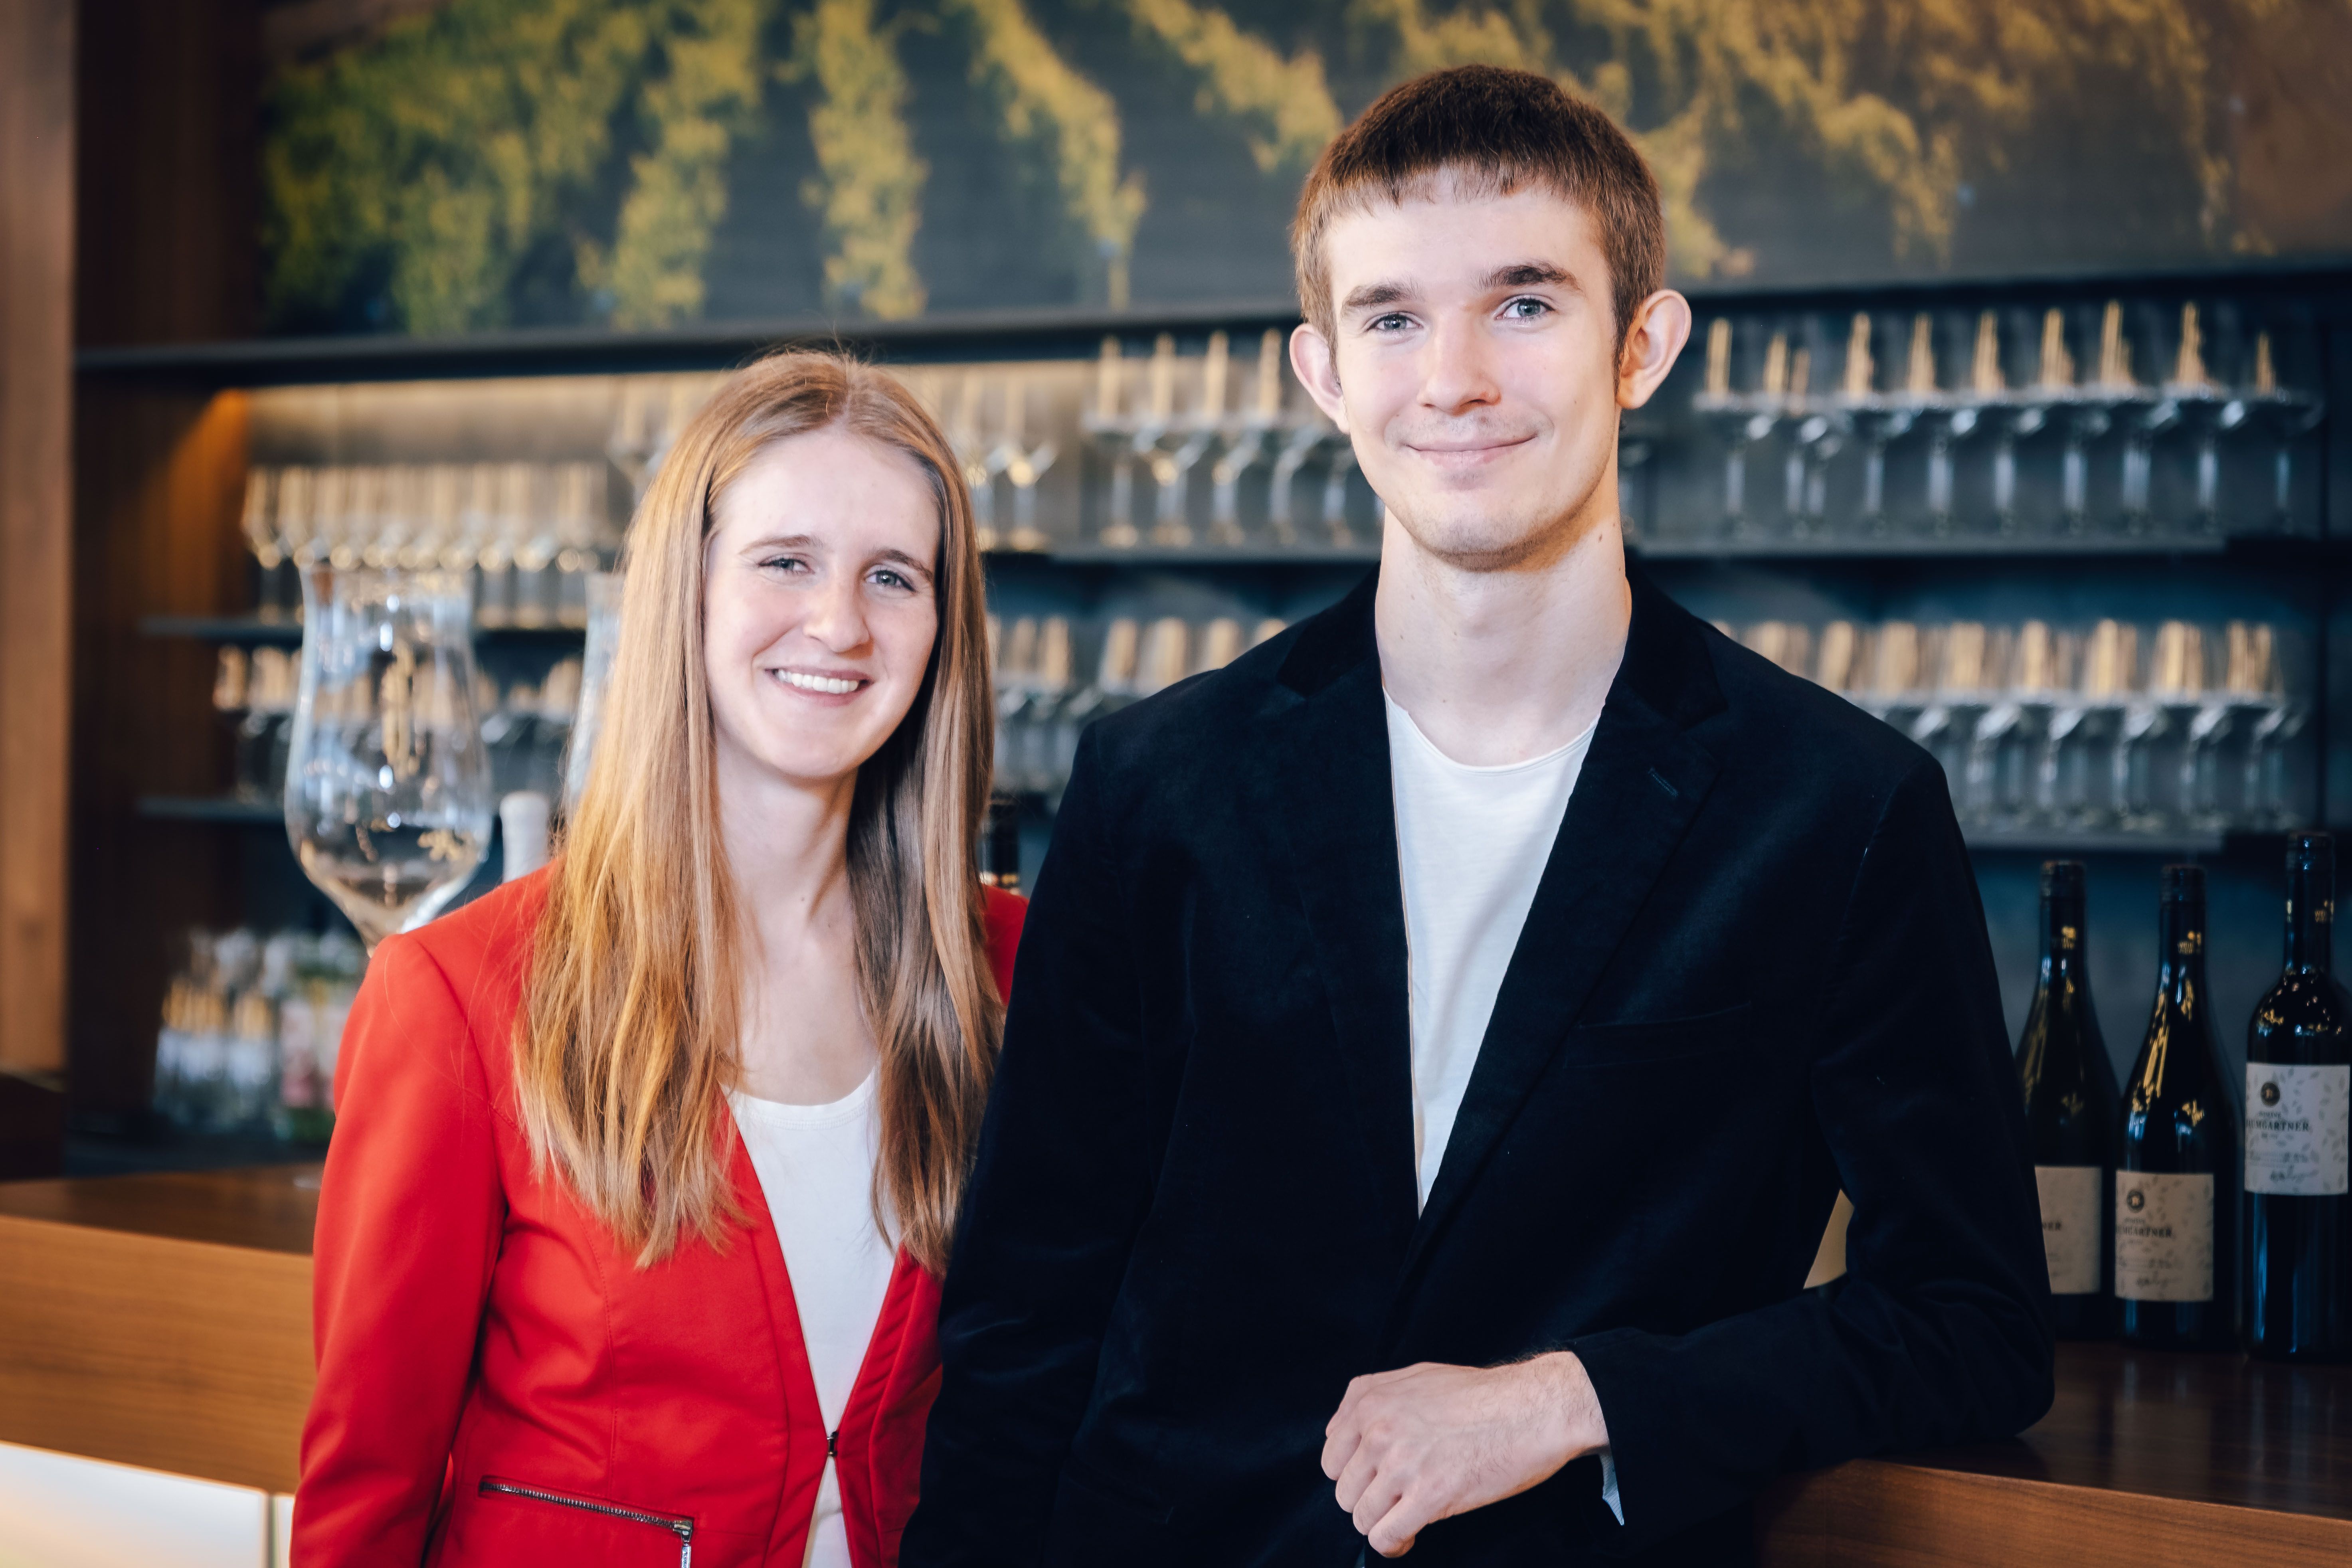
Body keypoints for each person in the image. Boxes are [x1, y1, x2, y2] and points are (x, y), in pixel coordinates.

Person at [902, 65, 2053, 1568]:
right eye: (1392, 317)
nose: (1453, 376)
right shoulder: (1153, 787)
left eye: (1523, 303)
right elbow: (1024, 1323)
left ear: (1642, 345)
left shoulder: (1839, 806)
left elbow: (1974, 1321)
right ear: (1322, 373)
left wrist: (1577, 1396)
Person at [294, 352, 1025, 1567]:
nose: (839, 622)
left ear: (944, 630)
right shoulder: (460, 996)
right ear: (684, 593)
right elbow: (365, 1497)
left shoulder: (1014, 966)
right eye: (785, 559)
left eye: (893, 576)